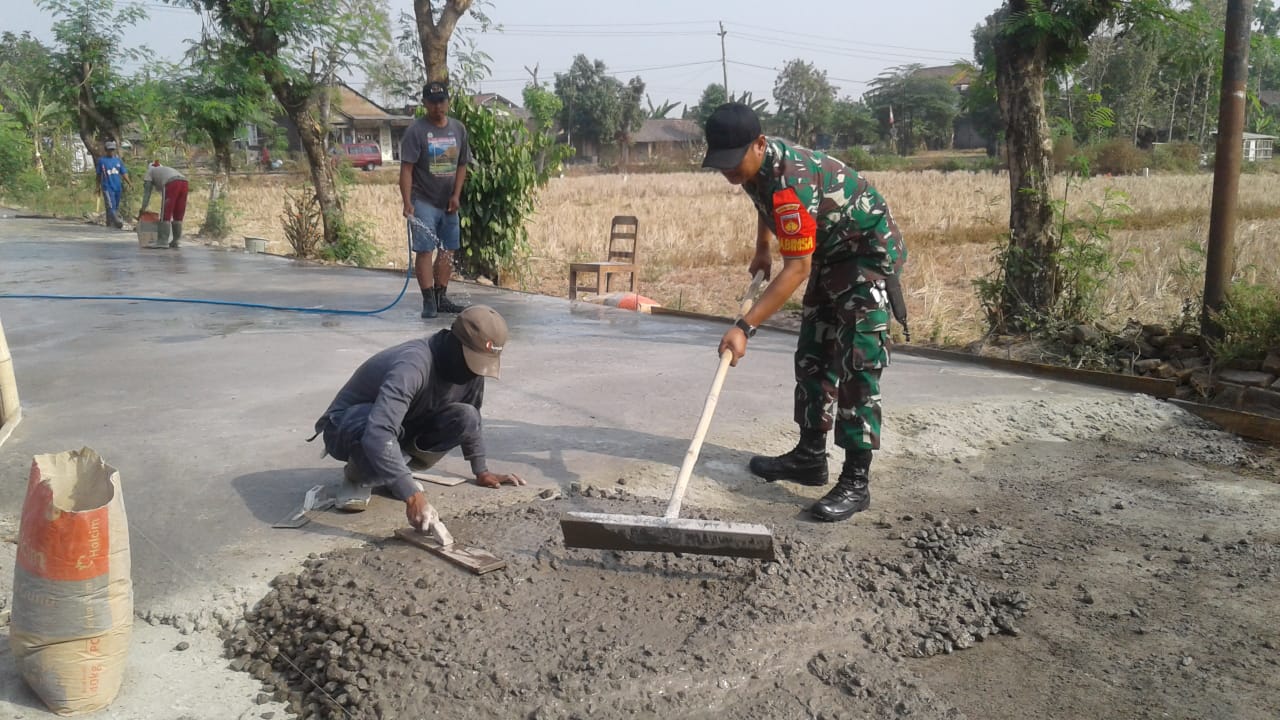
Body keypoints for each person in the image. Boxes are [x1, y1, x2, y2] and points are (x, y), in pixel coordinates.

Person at [702, 103, 909, 523]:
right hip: (830, 255)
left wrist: (745, 327)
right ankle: (810, 457)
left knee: (858, 365)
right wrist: (763, 248)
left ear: (760, 144)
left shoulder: (791, 181)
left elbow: (797, 268)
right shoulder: (754, 169)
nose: (728, 171)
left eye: (733, 161)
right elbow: (765, 203)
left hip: (865, 255)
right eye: (721, 163)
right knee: (814, 354)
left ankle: (856, 481)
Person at [311, 305, 525, 530]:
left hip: (401, 425)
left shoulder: (470, 370)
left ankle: (390, 473)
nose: (473, 372)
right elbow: (379, 432)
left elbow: (472, 419)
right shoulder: (413, 365)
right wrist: (412, 496)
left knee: (465, 416)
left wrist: (482, 471)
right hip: (346, 427)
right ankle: (358, 476)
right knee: (373, 426)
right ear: (455, 343)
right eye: (472, 361)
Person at [399, 79, 471, 319]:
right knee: (425, 250)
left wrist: (456, 195)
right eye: (432, 102)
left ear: (448, 102)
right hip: (423, 200)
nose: (437, 106)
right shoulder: (416, 131)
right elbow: (406, 169)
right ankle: (428, 300)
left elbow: (462, 165)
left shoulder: (458, 129)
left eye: (441, 101)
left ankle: (442, 296)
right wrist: (407, 202)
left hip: (448, 201)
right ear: (425, 103)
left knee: (448, 249)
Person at [138, 161, 189, 248]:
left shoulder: (150, 171)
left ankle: (162, 241)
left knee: (166, 212)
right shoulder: (165, 170)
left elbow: (147, 192)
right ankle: (176, 241)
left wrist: (143, 208)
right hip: (184, 182)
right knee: (178, 212)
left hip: (171, 183)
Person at [95, 141, 129, 229]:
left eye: (112, 150)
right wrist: (97, 186)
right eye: (109, 150)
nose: (111, 151)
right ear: (106, 150)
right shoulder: (102, 161)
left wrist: (129, 183)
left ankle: (110, 223)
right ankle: (117, 222)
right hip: (107, 187)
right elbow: (98, 175)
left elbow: (123, 172)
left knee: (115, 206)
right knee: (111, 206)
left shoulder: (118, 161)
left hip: (117, 187)